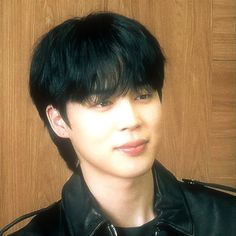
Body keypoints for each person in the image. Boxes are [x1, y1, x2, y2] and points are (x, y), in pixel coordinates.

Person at [1, 12, 236, 236]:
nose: (131, 120)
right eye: (103, 102)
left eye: (143, 95)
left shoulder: (226, 219)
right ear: (59, 121)